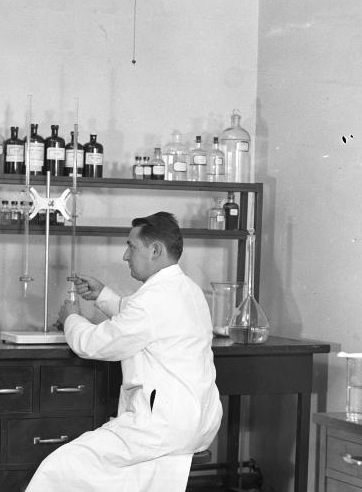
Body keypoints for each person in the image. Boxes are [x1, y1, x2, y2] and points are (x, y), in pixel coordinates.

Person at [26, 211, 222, 492]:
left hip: (162, 427)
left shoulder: (153, 299)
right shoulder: (187, 289)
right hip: (195, 421)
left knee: (60, 467)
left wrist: (72, 317)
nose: (125, 256)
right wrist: (102, 294)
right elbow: (141, 320)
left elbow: (94, 344)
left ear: (155, 250)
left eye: (131, 246)